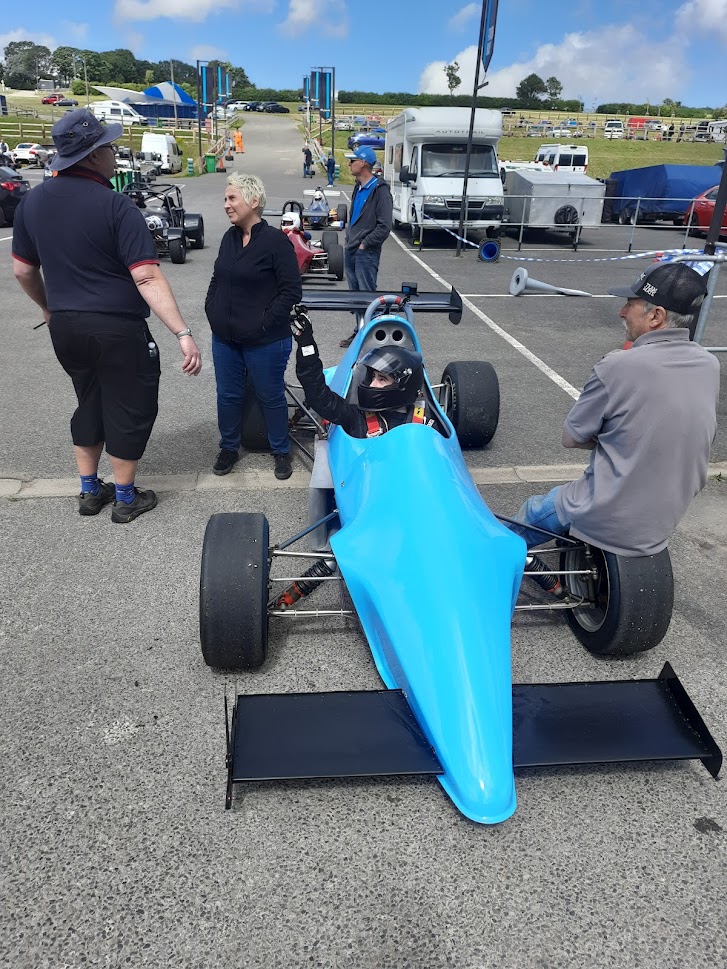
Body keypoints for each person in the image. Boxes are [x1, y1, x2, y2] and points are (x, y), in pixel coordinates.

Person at [11, 109, 201, 523]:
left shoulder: (33, 202)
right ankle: (127, 497)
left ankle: (89, 489)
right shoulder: (116, 207)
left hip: (65, 325)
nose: (114, 152)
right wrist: (182, 332)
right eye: (109, 146)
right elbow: (147, 276)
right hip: (116, 326)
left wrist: (48, 307)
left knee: (89, 399)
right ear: (94, 155)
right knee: (130, 403)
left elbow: (23, 270)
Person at [508, 262, 719, 597]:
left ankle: (494, 562)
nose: (622, 312)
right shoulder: (710, 365)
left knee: (532, 512)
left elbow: (572, 437)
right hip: (665, 518)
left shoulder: (617, 366)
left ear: (656, 317)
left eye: (631, 305)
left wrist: (615, 436)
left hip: (607, 512)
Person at [205, 172, 302, 480]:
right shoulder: (229, 238)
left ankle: (281, 451)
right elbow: (217, 278)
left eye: (232, 198)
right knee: (228, 395)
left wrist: (263, 323)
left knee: (270, 395)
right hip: (226, 339)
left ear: (253, 201)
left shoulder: (275, 242)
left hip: (266, 340)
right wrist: (212, 309)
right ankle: (229, 447)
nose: (226, 205)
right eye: (225, 198)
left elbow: (291, 291)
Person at [291, 309, 433, 438]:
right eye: (372, 377)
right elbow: (318, 396)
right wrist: (306, 345)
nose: (372, 384)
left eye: (382, 379)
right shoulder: (356, 418)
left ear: (404, 386)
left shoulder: (426, 423)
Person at [339, 145, 393, 348]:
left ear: (363, 163)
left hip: (365, 252)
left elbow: (385, 226)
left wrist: (365, 244)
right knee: (356, 297)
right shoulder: (358, 187)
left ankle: (373, 337)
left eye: (352, 160)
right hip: (352, 248)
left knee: (368, 296)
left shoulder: (380, 190)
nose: (349, 164)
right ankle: (360, 331)